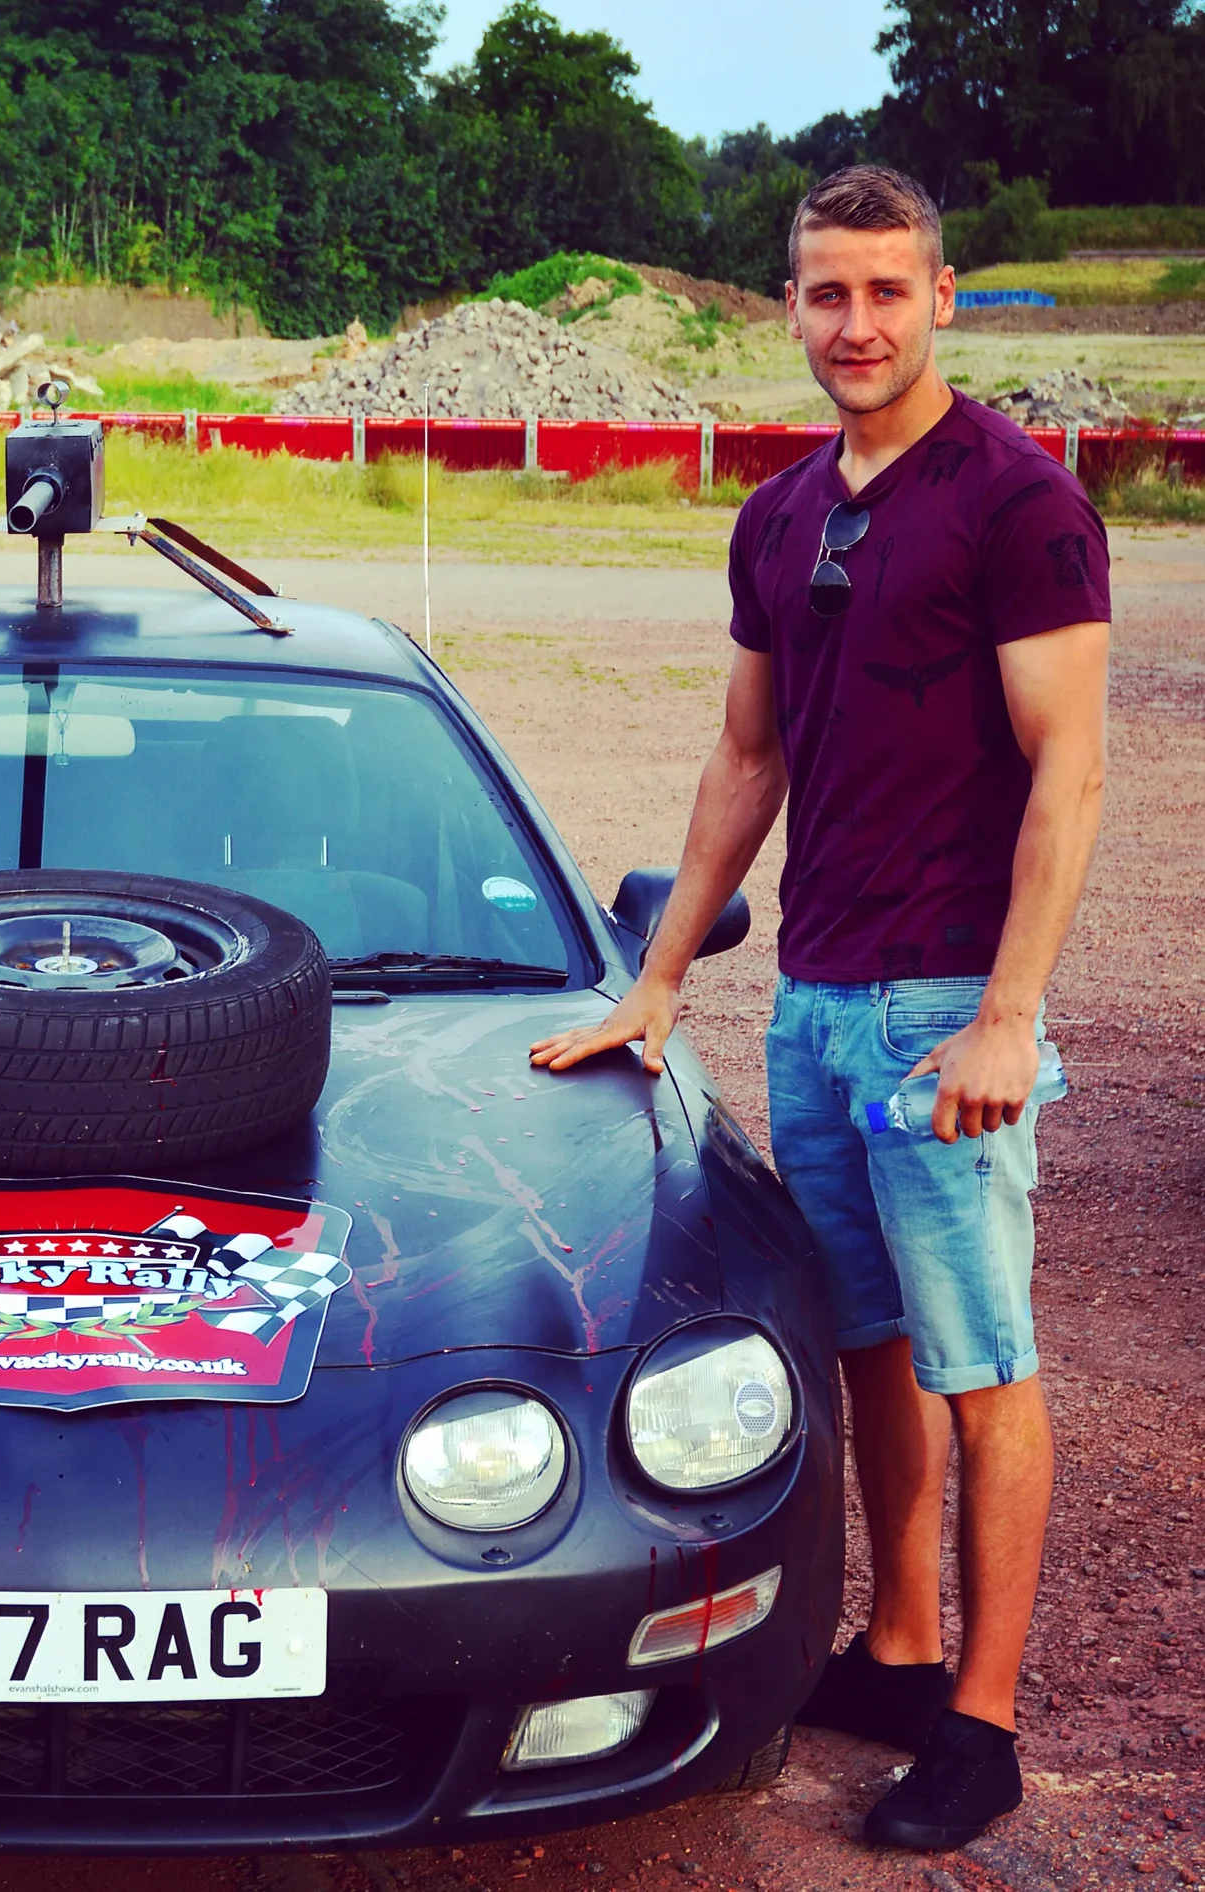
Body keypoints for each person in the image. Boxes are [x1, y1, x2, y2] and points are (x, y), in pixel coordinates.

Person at [530, 166, 1108, 1853]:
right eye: (827, 294)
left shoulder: (1019, 503)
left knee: (982, 1360)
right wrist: (655, 979)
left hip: (944, 1013)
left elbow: (1071, 771)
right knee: (869, 1344)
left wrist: (1010, 1013)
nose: (857, 325)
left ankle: (982, 1725)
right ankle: (905, 1652)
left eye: (886, 291)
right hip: (818, 1001)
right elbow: (747, 754)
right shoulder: (781, 516)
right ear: (789, 305)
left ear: (942, 297)